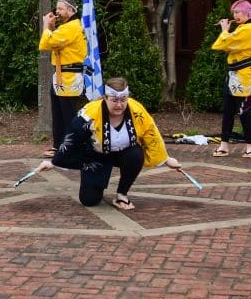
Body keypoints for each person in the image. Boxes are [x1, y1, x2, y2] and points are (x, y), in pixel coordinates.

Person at [30, 77, 181, 210]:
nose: (119, 105)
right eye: (114, 100)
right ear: (105, 98)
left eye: (123, 100)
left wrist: (166, 159)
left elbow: (151, 134)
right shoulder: (90, 112)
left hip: (125, 153)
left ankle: (122, 193)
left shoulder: (136, 110)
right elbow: (73, 137)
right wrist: (54, 161)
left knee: (136, 154)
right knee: (89, 200)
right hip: (97, 156)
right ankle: (96, 183)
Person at [37, 0, 87, 158]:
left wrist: (46, 26)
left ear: (71, 10)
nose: (57, 11)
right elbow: (53, 42)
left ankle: (74, 146)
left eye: (61, 9)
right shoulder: (67, 27)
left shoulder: (71, 27)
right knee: (58, 113)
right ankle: (59, 145)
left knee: (68, 113)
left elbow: (46, 43)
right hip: (61, 74)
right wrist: (52, 27)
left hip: (69, 75)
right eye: (57, 8)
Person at [210, 0, 251, 158]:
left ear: (248, 13)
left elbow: (225, 43)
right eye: (234, 12)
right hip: (233, 75)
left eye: (238, 12)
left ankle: (250, 147)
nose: (235, 15)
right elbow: (221, 45)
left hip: (246, 75)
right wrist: (226, 35)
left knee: (244, 111)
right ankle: (224, 145)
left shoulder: (249, 29)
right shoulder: (240, 29)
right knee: (228, 111)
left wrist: (225, 30)